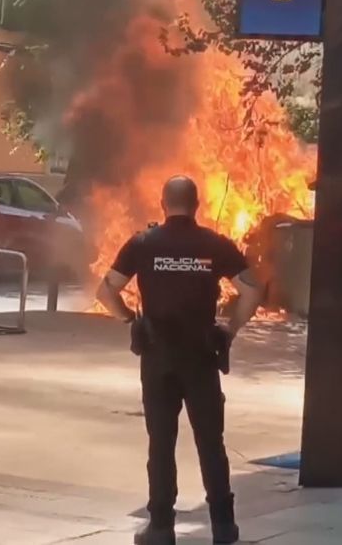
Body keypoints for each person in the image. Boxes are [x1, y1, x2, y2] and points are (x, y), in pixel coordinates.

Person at [96, 176, 264, 545]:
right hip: (201, 357)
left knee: (161, 442)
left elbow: (106, 289)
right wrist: (231, 328)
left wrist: (129, 319)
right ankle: (223, 525)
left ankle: (160, 526)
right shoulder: (215, 245)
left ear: (162, 204)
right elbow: (253, 288)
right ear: (198, 204)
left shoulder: (142, 243)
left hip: (157, 358)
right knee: (210, 441)